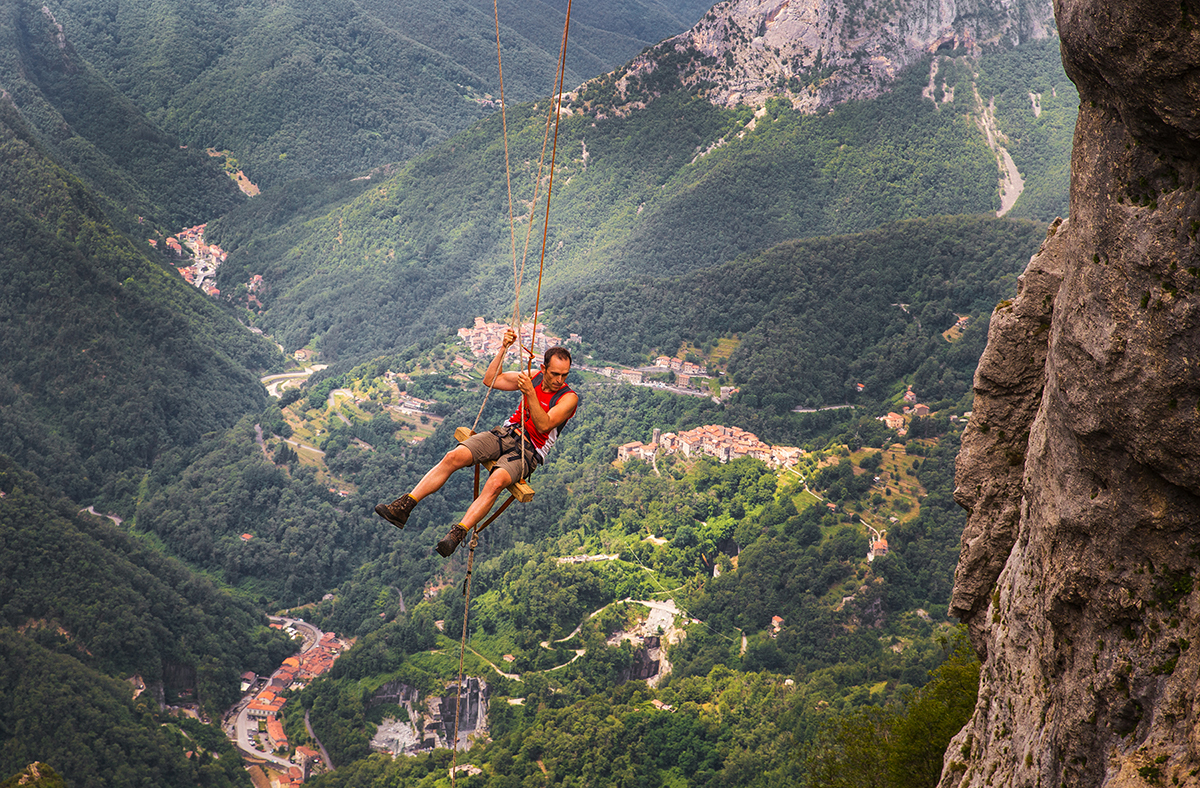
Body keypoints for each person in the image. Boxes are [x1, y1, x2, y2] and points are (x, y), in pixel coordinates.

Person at [375, 328, 579, 557]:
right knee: (453, 457)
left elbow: (544, 425)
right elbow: (490, 380)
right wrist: (503, 348)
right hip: (507, 433)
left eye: (564, 375)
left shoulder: (568, 398)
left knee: (497, 480)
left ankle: (457, 534)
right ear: (543, 369)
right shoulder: (534, 377)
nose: (559, 380)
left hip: (529, 451)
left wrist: (530, 393)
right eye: (554, 374)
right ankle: (405, 506)